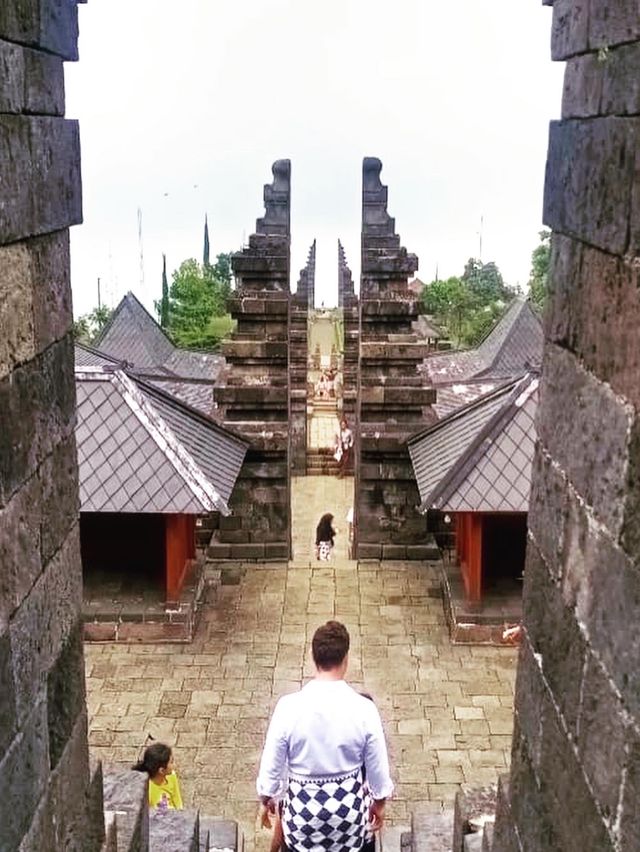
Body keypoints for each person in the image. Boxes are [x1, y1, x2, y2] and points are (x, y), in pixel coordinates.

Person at [257, 621, 393, 852]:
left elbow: (271, 769)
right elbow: (378, 773)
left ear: (313, 656)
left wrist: (267, 798)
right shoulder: (364, 709)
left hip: (303, 819)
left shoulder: (288, 708)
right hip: (348, 819)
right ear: (346, 659)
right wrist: (378, 804)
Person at [133, 742, 183, 810]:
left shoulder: (172, 776)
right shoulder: (147, 791)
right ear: (161, 770)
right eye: (171, 762)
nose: (174, 765)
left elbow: (177, 799)